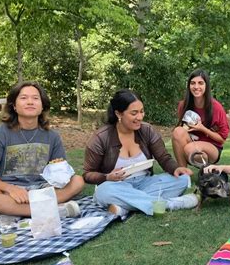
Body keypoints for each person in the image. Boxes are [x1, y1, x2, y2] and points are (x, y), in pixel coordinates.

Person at [83, 89, 197, 217]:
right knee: (103, 191)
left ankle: (124, 207)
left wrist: (176, 168)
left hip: (145, 183)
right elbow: (87, 174)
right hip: (117, 186)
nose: (140, 117)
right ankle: (170, 204)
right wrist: (107, 177)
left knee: (182, 179)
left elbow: (164, 158)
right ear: (118, 114)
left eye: (142, 111)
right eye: (134, 113)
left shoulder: (147, 130)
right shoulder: (101, 137)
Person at [0, 82, 84, 224]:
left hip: (42, 189)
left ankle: (9, 214)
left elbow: (58, 171)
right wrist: (10, 188)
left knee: (77, 181)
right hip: (9, 192)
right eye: (24, 98)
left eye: (35, 98)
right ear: (14, 106)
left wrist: (60, 175)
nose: (30, 102)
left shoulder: (52, 136)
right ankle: (57, 210)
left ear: (42, 106)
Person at [172, 69, 230, 167]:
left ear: (206, 86)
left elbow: (222, 139)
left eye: (200, 83)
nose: (196, 87)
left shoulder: (216, 107)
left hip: (213, 148)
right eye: (193, 83)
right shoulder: (183, 105)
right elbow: (182, 130)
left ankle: (205, 168)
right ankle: (184, 174)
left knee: (189, 149)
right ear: (189, 85)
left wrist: (202, 129)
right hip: (193, 141)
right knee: (177, 131)